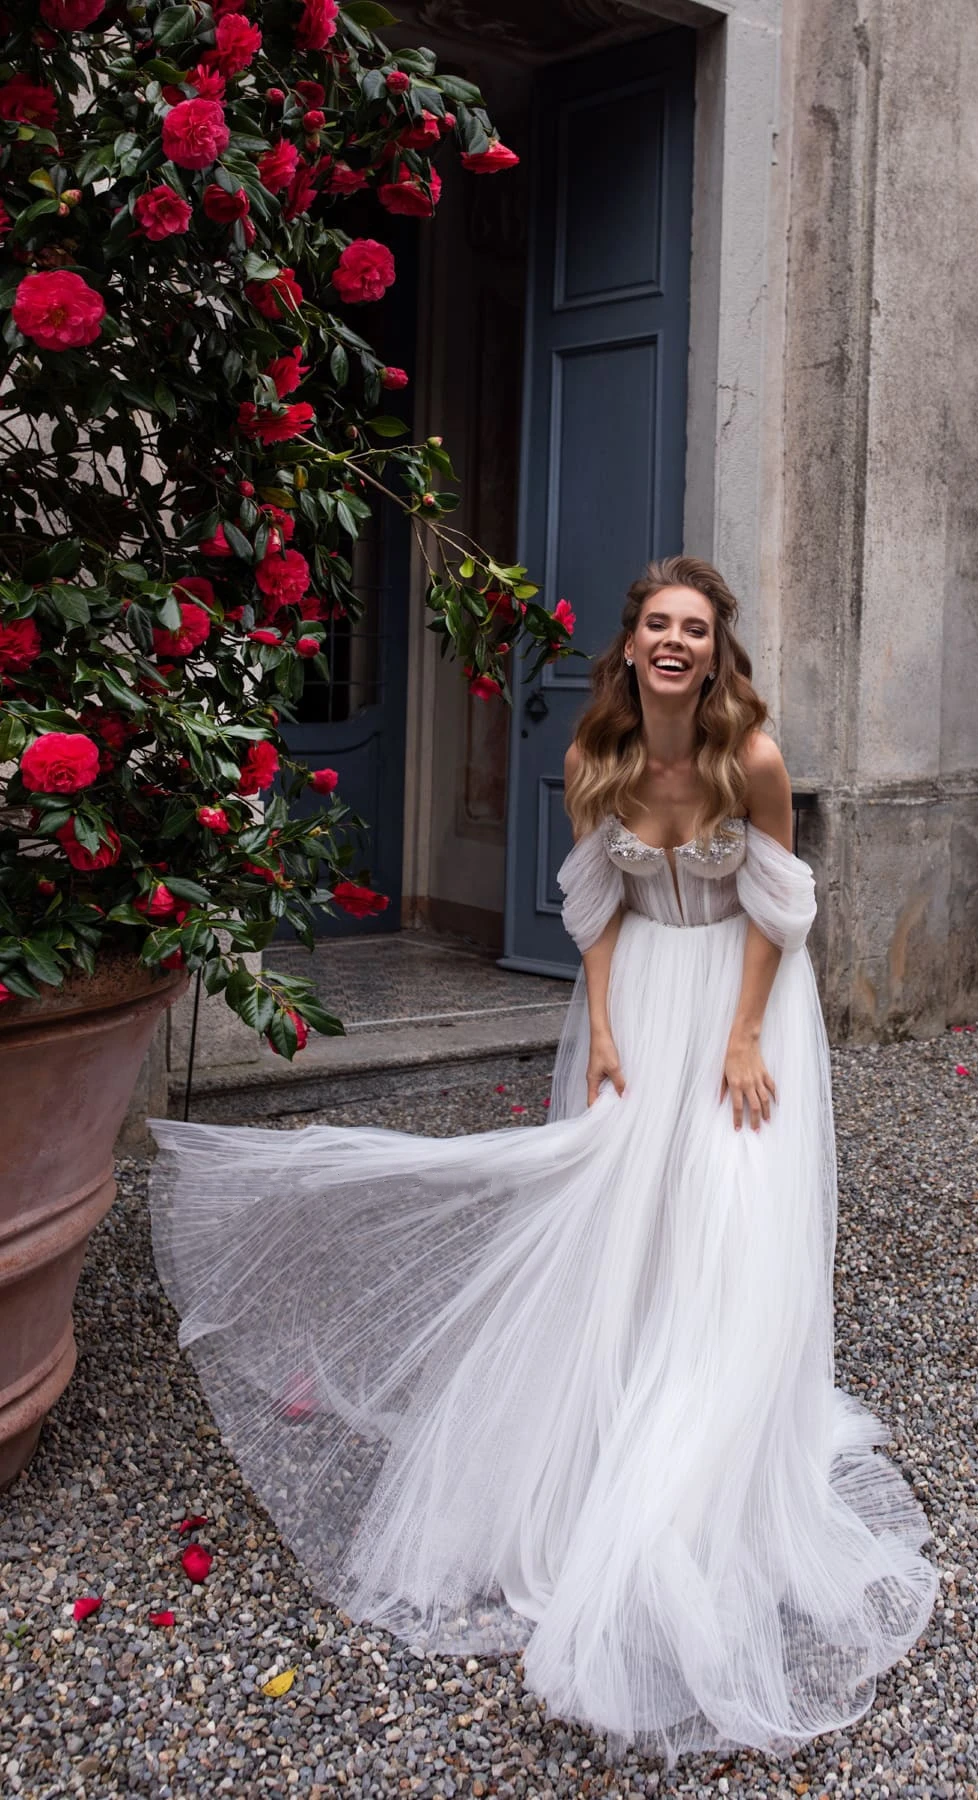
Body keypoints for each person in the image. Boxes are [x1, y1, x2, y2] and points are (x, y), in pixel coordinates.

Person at [149, 555, 937, 1768]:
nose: (675, 645)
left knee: (730, 1225)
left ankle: (704, 1471)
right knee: (621, 1220)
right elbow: (599, 913)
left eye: (697, 631)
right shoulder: (599, 763)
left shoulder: (753, 761)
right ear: (628, 647)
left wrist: (739, 1036)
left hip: (741, 1008)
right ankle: (622, 1425)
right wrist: (606, 1026)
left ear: (719, 652)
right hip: (641, 1011)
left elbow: (783, 912)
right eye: (657, 627)